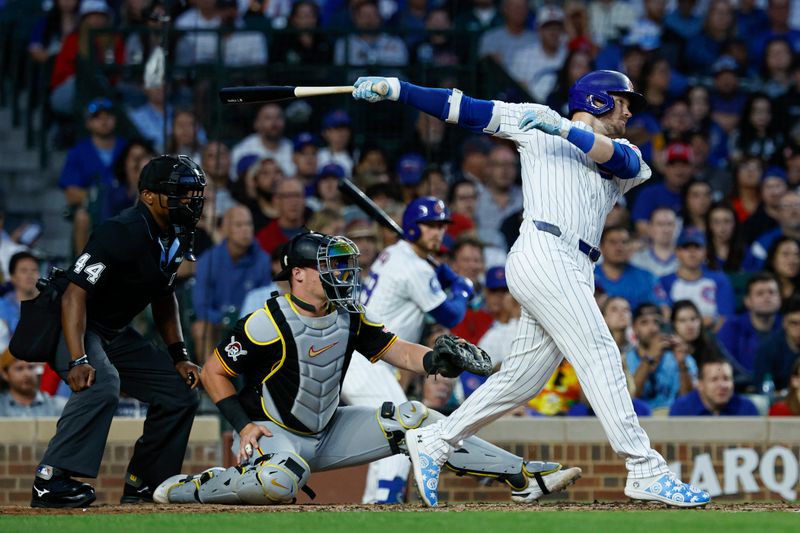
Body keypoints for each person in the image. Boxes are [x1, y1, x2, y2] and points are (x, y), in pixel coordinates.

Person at [352, 70, 711, 507]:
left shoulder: (626, 150)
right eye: (622, 100)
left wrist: (565, 129)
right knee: (600, 352)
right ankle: (644, 468)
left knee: (522, 379)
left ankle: (437, 441)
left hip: (578, 265)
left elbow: (624, 163)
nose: (630, 109)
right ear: (597, 100)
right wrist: (399, 90)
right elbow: (463, 107)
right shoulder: (535, 119)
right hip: (544, 249)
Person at [153, 232, 580, 506]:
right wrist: (243, 426)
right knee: (280, 484)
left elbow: (397, 351)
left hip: (329, 429)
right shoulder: (266, 320)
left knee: (415, 417)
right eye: (328, 265)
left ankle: (522, 477)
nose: (340, 272)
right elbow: (212, 372)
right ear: (298, 275)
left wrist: (434, 359)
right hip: (273, 434)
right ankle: (197, 488)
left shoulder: (349, 313)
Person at [29, 155, 206, 508]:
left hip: (112, 332)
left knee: (179, 392)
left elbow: (164, 294)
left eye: (193, 192)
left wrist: (179, 356)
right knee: (102, 382)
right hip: (72, 326)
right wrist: (78, 357)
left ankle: (146, 485)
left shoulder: (174, 234)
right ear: (148, 195)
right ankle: (50, 480)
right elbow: (73, 294)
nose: (189, 200)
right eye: (180, 192)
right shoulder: (120, 230)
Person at [343, 198, 475, 504]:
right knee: (403, 431)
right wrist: (461, 289)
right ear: (413, 228)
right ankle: (383, 505)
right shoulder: (414, 267)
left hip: (365, 357)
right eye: (430, 226)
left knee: (390, 435)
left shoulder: (396, 254)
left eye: (442, 226)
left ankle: (376, 502)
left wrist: (442, 277)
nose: (438, 232)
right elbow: (451, 316)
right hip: (368, 359)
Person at [191, 205, 271, 364]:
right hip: (217, 324)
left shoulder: (262, 259)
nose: (246, 230)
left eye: (249, 224)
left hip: (249, 326)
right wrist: (223, 320)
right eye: (239, 225)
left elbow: (265, 302)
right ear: (225, 229)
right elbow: (201, 306)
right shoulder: (209, 259)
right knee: (200, 328)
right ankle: (211, 384)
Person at [626, 303, 698, 413]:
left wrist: (682, 364)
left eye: (656, 322)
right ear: (634, 328)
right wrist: (649, 358)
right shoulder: (625, 360)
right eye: (644, 323)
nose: (652, 329)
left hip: (673, 421)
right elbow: (629, 397)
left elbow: (688, 403)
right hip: (638, 419)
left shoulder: (681, 357)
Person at [659, 228, 735, 330]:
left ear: (705, 251)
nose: (692, 252)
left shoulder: (719, 280)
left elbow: (726, 317)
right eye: (686, 247)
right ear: (677, 252)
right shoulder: (664, 281)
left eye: (697, 247)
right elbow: (666, 317)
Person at [717, 272, 783, 384]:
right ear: (747, 301)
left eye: (772, 292)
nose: (767, 297)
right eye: (760, 293)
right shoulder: (732, 327)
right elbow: (727, 365)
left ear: (780, 299)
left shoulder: (788, 325)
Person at [594, 225, 667, 310]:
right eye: (613, 242)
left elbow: (664, 309)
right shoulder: (589, 275)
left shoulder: (646, 277)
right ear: (601, 247)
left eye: (624, 242)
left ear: (630, 246)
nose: (619, 247)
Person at [669, 358, 759, 416]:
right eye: (714, 379)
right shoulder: (682, 409)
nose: (722, 385)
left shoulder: (746, 408)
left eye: (726, 379)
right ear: (700, 385)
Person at [753, 295, 800, 392]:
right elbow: (762, 388)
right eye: (794, 323)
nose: (799, 329)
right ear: (784, 323)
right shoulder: (768, 348)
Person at [0, 352, 66, 417]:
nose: (27, 374)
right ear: (5, 374)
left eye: (31, 367)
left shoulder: (59, 407)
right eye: (19, 368)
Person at [630, 207, 678, 278]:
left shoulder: (686, 258)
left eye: (670, 224)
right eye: (660, 224)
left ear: (676, 227)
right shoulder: (637, 258)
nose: (666, 230)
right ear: (650, 228)